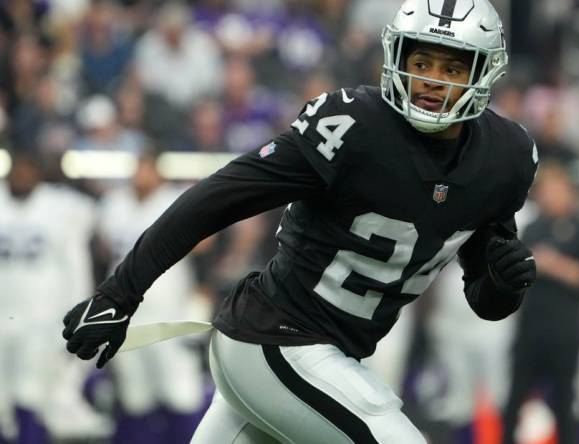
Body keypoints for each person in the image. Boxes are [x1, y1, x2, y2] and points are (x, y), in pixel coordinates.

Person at [62, 1, 539, 443]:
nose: (433, 80)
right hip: (276, 342)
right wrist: (119, 293)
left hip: (314, 360)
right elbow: (218, 198)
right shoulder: (353, 126)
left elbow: (487, 300)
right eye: (422, 63)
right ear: (398, 59)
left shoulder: (506, 158)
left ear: (483, 72)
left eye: (452, 67)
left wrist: (506, 282)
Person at [0, 151, 111, 442]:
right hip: (3, 318)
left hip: (41, 321)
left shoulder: (61, 206)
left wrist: (76, 314)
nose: (21, 176)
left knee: (32, 395)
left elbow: (76, 266)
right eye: (17, 169)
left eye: (28, 169)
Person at [95, 153, 206, 444]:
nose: (142, 175)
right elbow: (105, 249)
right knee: (135, 395)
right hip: (126, 314)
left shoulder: (176, 198)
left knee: (180, 392)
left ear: (159, 172)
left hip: (169, 312)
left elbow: (207, 242)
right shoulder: (115, 204)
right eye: (138, 168)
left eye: (147, 168)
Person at [502, 162, 579, 444]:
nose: (551, 196)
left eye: (556, 190)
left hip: (565, 330)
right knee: (514, 399)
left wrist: (551, 264)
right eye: (546, 190)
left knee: (564, 401)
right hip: (531, 326)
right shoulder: (532, 228)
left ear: (569, 192)